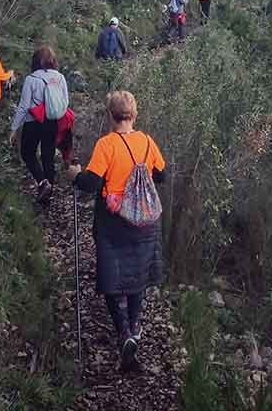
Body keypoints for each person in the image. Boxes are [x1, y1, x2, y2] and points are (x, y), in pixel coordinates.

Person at [68, 91, 166, 372]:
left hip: (114, 224)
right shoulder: (147, 142)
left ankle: (124, 331)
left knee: (113, 276)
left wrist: (75, 175)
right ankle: (134, 328)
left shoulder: (107, 144)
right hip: (145, 223)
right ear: (134, 115)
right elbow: (162, 175)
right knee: (138, 277)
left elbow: (90, 183)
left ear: (111, 116)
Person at [9, 45, 69, 203]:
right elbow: (65, 102)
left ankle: (42, 182)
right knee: (48, 156)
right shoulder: (60, 78)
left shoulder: (31, 79)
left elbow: (23, 106)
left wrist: (14, 129)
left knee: (27, 153)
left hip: (33, 122)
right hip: (52, 122)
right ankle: (48, 196)